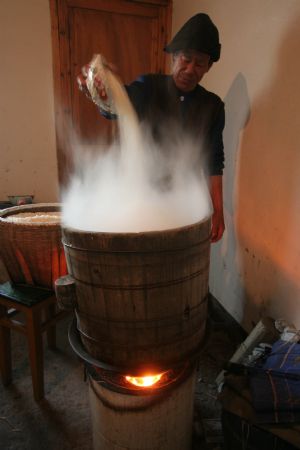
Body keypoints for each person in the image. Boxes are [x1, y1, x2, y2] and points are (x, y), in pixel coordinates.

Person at [77, 13, 225, 242]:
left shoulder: (213, 106)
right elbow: (116, 106)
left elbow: (214, 162)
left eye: (199, 63)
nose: (190, 69)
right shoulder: (148, 87)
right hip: (139, 197)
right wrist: (99, 90)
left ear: (208, 67)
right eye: (186, 59)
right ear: (174, 56)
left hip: (185, 200)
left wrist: (218, 211)